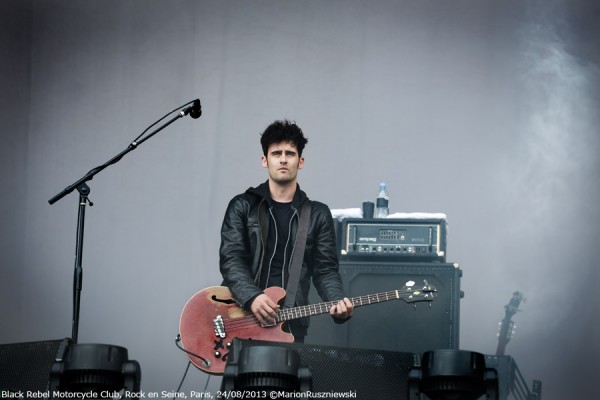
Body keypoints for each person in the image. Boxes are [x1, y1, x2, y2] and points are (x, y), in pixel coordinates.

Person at [219, 119, 353, 342]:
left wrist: (337, 300)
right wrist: (252, 297)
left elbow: (325, 270)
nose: (283, 159)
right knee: (242, 378)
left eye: (290, 153)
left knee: (289, 378)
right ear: (265, 160)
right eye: (276, 153)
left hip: (291, 323)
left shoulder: (317, 214)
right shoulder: (242, 205)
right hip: (240, 316)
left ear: (300, 161)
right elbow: (231, 259)